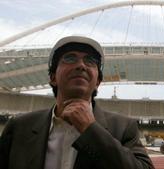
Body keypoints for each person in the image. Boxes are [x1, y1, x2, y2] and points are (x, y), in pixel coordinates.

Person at [0, 36, 155, 169]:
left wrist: (91, 130)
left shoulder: (123, 128)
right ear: (53, 77)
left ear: (97, 82)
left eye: (90, 61)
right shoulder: (19, 127)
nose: (81, 65)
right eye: (70, 58)